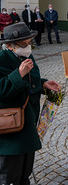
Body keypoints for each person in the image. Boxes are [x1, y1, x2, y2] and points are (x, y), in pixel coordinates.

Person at [0, 22, 60, 184]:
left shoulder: (27, 55)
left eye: (29, 43)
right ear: (10, 46)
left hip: (28, 122)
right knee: (9, 176)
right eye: (23, 44)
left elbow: (30, 82)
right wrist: (18, 74)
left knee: (25, 172)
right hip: (10, 126)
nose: (28, 47)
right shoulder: (1, 59)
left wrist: (43, 84)